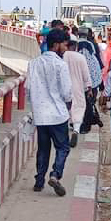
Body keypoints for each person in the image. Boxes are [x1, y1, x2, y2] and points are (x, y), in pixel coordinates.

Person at [25, 29, 73, 197]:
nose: (65, 49)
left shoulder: (33, 63)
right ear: (56, 44)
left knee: (43, 149)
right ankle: (55, 174)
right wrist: (69, 104)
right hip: (58, 114)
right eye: (64, 45)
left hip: (40, 115)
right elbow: (67, 92)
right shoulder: (60, 64)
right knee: (63, 148)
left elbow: (27, 89)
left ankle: (39, 181)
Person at [62, 38, 92, 147]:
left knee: (66, 108)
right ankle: (76, 130)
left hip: (64, 86)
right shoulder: (80, 57)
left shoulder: (63, 56)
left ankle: (64, 132)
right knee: (79, 107)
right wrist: (89, 88)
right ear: (75, 47)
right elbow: (86, 74)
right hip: (78, 86)